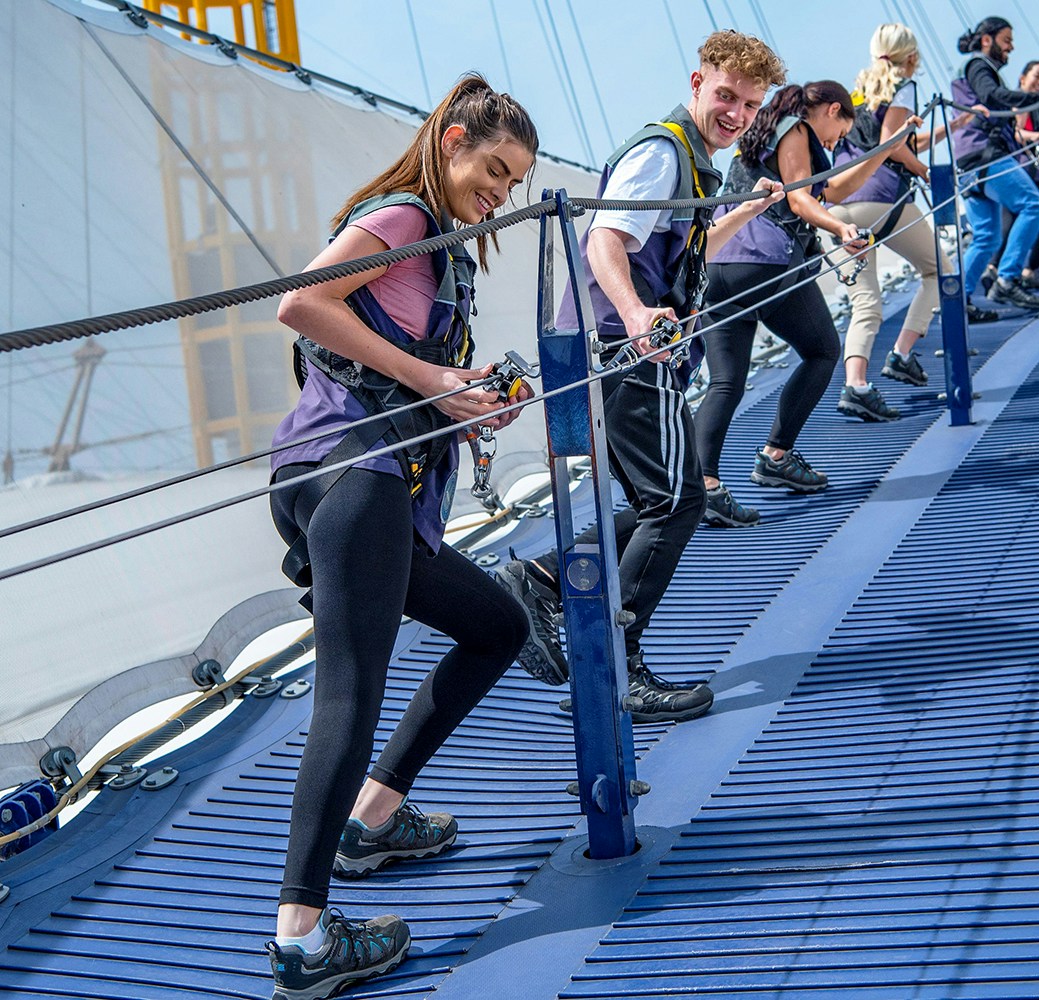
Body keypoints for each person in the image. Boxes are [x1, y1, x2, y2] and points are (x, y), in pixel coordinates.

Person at [263, 75, 539, 1000]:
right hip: (355, 477)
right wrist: (432, 377)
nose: (498, 194)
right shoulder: (408, 218)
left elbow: (394, 366)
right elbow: (300, 303)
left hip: (359, 479)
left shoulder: (441, 242)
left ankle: (373, 818)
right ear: (453, 140)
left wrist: (463, 402)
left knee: (496, 625)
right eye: (493, 171)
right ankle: (302, 941)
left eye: (512, 185)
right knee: (350, 692)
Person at [497, 31, 787, 718]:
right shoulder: (663, 153)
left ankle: (539, 578)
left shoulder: (690, 164)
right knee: (676, 502)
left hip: (629, 343)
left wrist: (744, 211)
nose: (736, 114)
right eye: (726, 96)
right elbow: (606, 240)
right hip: (628, 345)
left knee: (662, 498)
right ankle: (613, 672)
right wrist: (633, 315)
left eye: (749, 104)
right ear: (696, 84)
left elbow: (680, 247)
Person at [691, 79, 914, 515]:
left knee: (726, 381)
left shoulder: (762, 137)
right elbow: (800, 199)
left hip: (719, 263)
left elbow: (828, 192)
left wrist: (884, 151)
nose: (838, 142)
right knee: (823, 350)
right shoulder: (795, 128)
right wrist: (840, 229)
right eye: (842, 132)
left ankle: (706, 489)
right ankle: (777, 455)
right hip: (765, 260)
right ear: (832, 110)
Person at [828, 22, 970, 422]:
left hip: (841, 205)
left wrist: (950, 128)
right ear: (911, 56)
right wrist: (925, 171)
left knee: (866, 303)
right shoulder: (904, 86)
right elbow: (893, 146)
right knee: (940, 271)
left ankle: (855, 386)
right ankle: (902, 353)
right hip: (883, 200)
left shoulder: (861, 91)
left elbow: (896, 140)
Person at [951, 16, 1039, 313]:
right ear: (988, 40)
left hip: (969, 158)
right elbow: (991, 95)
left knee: (987, 236)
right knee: (1036, 206)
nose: (1011, 47)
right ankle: (1008, 279)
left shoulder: (972, 69)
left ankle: (959, 304)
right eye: (1007, 40)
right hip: (985, 153)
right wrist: (1038, 96)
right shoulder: (978, 66)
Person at [980, 58, 1039, 294]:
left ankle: (994, 268)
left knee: (1012, 222)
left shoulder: (1035, 109)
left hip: (1019, 168)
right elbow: (1018, 133)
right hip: (1024, 169)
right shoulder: (1020, 105)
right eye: (1037, 76)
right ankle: (1025, 271)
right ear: (1022, 79)